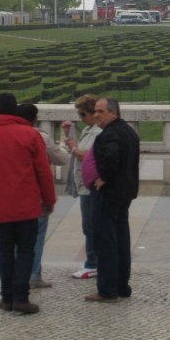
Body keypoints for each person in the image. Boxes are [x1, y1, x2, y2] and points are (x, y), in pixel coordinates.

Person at [0, 93, 56, 315]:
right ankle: (21, 297)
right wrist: (49, 199)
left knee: (5, 251)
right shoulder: (30, 134)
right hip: (27, 205)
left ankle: (6, 297)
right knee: (26, 251)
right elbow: (43, 172)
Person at [86, 97, 140, 303]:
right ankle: (122, 286)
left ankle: (107, 290)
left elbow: (111, 156)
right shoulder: (128, 131)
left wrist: (103, 177)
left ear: (113, 113)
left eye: (100, 111)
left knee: (106, 242)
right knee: (121, 241)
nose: (96, 115)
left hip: (109, 194)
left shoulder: (111, 134)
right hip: (124, 193)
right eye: (95, 111)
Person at [16, 102, 68, 289]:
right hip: (35, 195)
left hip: (13, 194)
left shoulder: (6, 135)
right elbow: (60, 159)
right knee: (36, 236)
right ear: (35, 119)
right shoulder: (41, 137)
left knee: (14, 237)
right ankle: (33, 274)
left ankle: (16, 273)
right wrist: (63, 142)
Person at [61, 93, 102, 280]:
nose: (81, 118)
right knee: (89, 226)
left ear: (93, 113)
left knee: (90, 226)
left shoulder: (97, 132)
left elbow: (88, 156)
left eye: (82, 114)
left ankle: (93, 264)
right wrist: (69, 137)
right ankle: (94, 262)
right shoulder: (89, 130)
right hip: (84, 185)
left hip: (89, 187)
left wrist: (74, 149)